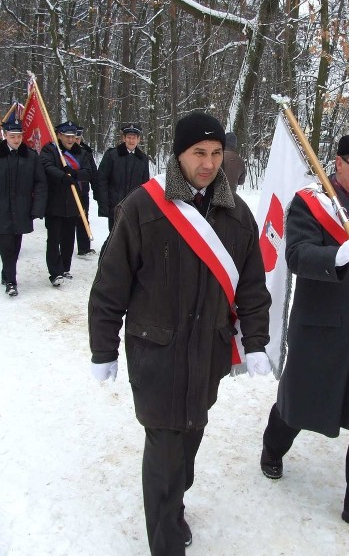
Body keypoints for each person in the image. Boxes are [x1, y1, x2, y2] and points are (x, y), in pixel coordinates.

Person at [88, 111, 272, 556]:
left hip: (208, 350)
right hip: (157, 350)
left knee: (190, 434)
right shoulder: (143, 207)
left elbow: (251, 284)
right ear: (179, 155)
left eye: (215, 153)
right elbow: (110, 284)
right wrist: (103, 348)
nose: (208, 163)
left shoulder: (237, 213)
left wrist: (258, 341)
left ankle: (173, 506)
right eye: (198, 154)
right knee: (166, 445)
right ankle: (165, 539)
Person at [259, 133, 349, 545]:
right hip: (322, 330)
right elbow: (298, 254)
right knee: (299, 405)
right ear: (338, 164)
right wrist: (336, 255)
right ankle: (272, 448)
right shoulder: (311, 202)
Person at [0, 119, 48, 296]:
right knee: (6, 245)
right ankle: (11, 281)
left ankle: (6, 272)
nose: (16, 140)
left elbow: (40, 183)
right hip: (0, 209)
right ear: (5, 136)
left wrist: (37, 208)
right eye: (12, 136)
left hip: (23, 208)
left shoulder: (31, 156)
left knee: (16, 245)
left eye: (19, 136)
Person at [40, 121, 94, 287]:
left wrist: (75, 174)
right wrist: (63, 176)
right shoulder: (50, 150)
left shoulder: (82, 153)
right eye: (67, 136)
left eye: (73, 136)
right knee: (54, 238)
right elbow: (47, 166)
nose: (71, 140)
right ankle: (55, 272)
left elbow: (89, 171)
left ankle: (65, 267)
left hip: (74, 202)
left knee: (68, 238)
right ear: (59, 135)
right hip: (54, 202)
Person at [94, 123, 150, 234]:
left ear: (139, 139)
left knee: (132, 237)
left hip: (134, 206)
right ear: (123, 138)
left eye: (134, 138)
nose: (131, 141)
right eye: (129, 137)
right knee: (115, 237)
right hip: (115, 205)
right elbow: (101, 179)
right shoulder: (112, 155)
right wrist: (103, 202)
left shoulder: (142, 159)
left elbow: (145, 185)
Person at [73, 128, 99, 257]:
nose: (75, 141)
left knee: (83, 218)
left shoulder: (85, 152)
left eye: (78, 138)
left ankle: (84, 248)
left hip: (83, 190)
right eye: (74, 138)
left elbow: (93, 172)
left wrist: (97, 190)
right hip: (66, 192)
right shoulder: (61, 152)